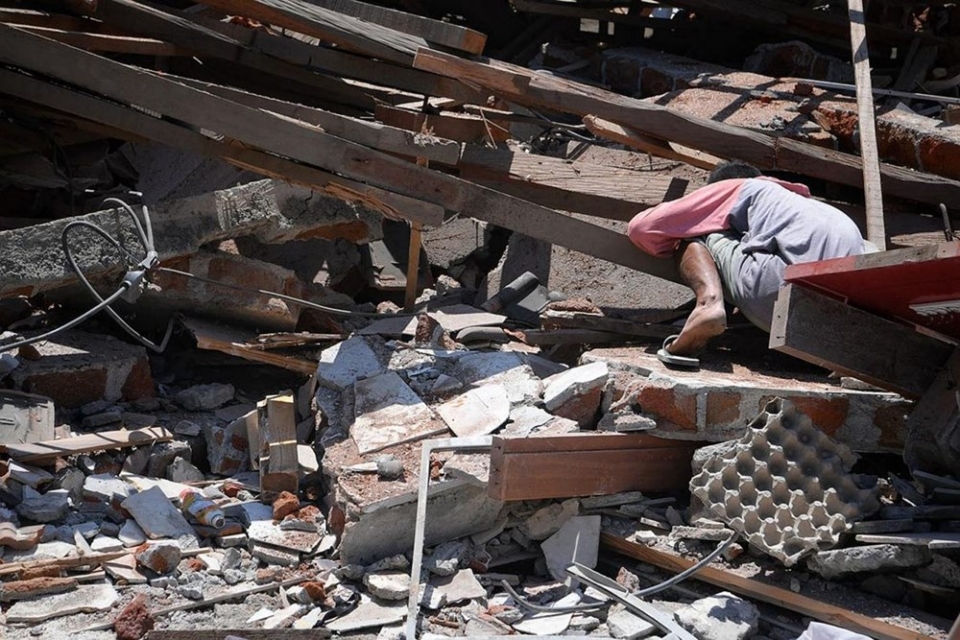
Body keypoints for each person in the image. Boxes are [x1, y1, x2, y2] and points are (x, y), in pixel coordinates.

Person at [627, 161, 871, 366]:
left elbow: (642, 228)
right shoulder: (815, 209)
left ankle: (708, 305)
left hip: (785, 303)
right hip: (845, 324)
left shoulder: (742, 188)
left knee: (692, 231)